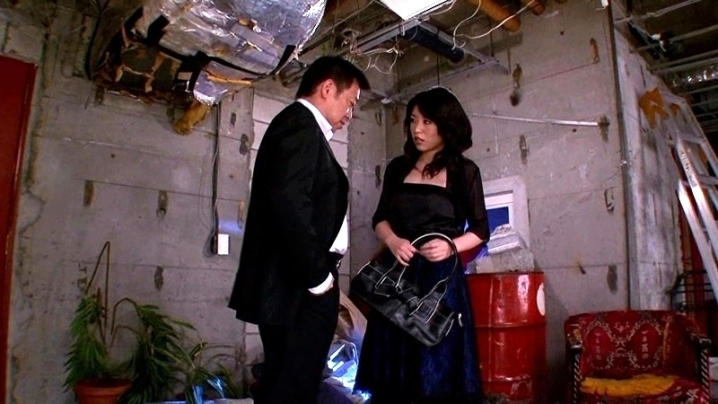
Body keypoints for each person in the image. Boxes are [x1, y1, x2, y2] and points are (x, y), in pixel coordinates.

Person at [228, 56, 370, 404]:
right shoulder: (300, 127)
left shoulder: (300, 128)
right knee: (295, 388)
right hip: (300, 288)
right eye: (350, 102)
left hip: (296, 284)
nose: (350, 115)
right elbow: (289, 204)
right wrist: (318, 278)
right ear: (327, 88)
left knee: (285, 383)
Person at [353, 87, 489, 403]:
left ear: (446, 124)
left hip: (439, 281)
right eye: (413, 120)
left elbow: (481, 229)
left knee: (437, 366)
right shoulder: (397, 168)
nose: (417, 129)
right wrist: (392, 240)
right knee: (392, 371)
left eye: (427, 121)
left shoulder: (465, 171)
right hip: (397, 277)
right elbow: (380, 219)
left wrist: (451, 246)